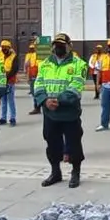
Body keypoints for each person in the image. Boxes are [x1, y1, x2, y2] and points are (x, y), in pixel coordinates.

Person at [35, 33, 88, 187]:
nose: (58, 47)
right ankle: (55, 172)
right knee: (52, 143)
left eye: (62, 44)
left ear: (69, 46)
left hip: (69, 113)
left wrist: (59, 100)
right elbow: (38, 84)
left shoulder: (79, 64)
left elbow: (76, 86)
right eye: (56, 44)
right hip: (50, 113)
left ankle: (75, 173)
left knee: (74, 144)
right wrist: (44, 100)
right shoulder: (45, 64)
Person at [0, 40, 19, 126]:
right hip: (1, 81)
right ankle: (3, 118)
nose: (4, 49)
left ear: (9, 48)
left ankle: (12, 118)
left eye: (6, 48)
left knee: (10, 100)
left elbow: (14, 69)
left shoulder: (14, 56)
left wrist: (6, 77)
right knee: (3, 100)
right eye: (2, 48)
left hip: (10, 81)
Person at [25, 42, 42, 113]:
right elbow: (29, 66)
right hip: (32, 76)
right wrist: (28, 77)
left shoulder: (42, 55)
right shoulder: (32, 55)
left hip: (39, 76)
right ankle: (36, 107)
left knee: (39, 92)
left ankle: (39, 107)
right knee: (33, 92)